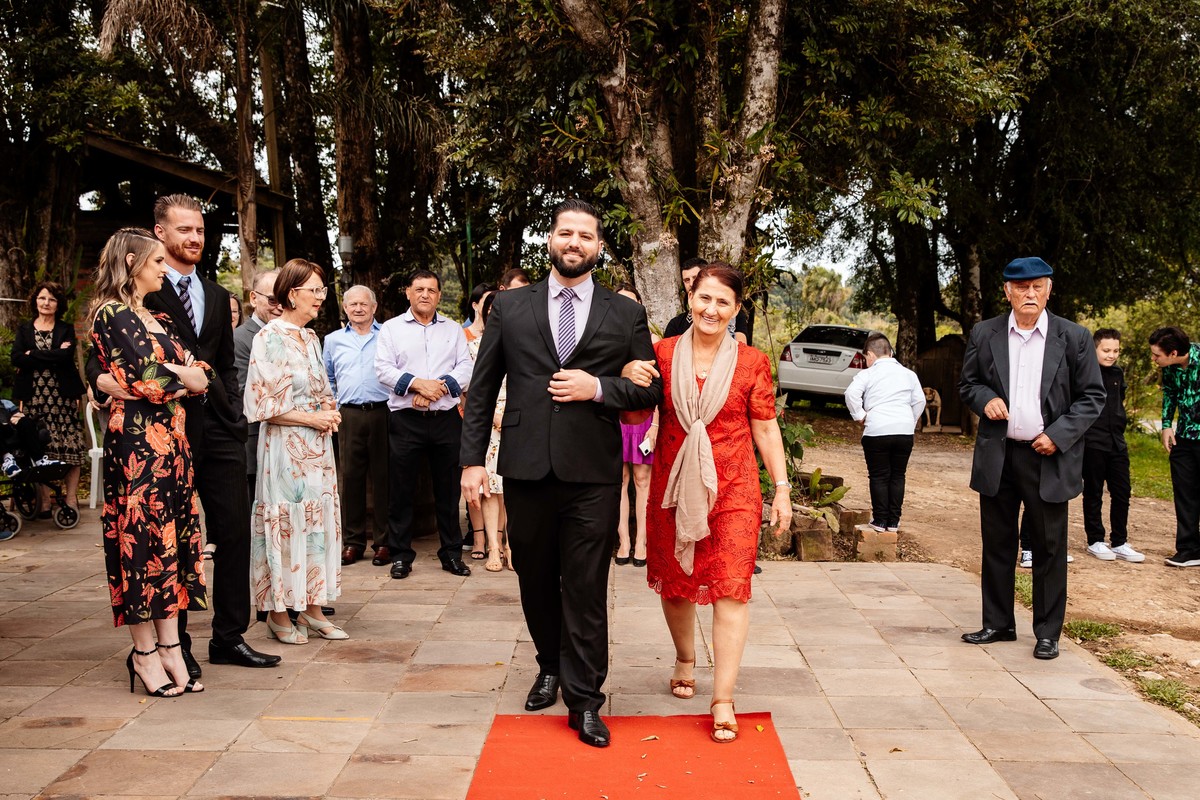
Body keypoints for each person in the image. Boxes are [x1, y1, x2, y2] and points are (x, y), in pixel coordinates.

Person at [460, 199, 662, 749]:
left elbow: (648, 389)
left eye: (586, 236)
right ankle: (548, 664)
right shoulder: (510, 305)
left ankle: (586, 699)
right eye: (565, 232)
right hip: (525, 465)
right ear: (550, 239)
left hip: (592, 470)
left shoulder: (624, 314)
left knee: (587, 584)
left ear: (599, 247)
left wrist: (597, 387)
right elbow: (481, 389)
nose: (575, 242)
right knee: (533, 575)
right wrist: (472, 461)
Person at [87, 194, 279, 672]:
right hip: (157, 432)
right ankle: (176, 649)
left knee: (232, 532)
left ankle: (229, 637)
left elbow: (219, 365)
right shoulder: (137, 293)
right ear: (160, 233)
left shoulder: (217, 295)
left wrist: (234, 416)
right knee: (166, 538)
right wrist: (100, 380)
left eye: (200, 231)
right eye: (183, 230)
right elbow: (105, 357)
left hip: (218, 428)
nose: (194, 238)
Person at [624, 264, 791, 744]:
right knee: (675, 587)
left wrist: (781, 488)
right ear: (689, 298)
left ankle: (723, 698)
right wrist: (626, 373)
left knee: (732, 590)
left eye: (723, 302)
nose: (711, 309)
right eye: (704, 298)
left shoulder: (752, 362)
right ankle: (684, 657)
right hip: (674, 490)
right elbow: (635, 413)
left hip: (735, 489)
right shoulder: (661, 353)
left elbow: (764, 427)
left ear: (736, 310)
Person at [958, 257, 1104, 661]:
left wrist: (1057, 436)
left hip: (1048, 458)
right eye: (1021, 287)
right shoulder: (985, 333)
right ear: (1007, 291)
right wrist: (985, 400)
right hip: (999, 455)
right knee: (998, 543)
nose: (1029, 294)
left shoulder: (1073, 337)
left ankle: (1047, 632)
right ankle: (998, 623)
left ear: (1049, 290)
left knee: (1049, 546)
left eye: (1037, 286)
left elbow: (1093, 397)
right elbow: (968, 384)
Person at [90, 227, 211, 697]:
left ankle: (170, 647)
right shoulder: (111, 312)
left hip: (175, 447)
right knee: (140, 547)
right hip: (139, 447)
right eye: (158, 261)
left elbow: (201, 370)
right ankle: (143, 654)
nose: (166, 268)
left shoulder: (157, 313)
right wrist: (179, 378)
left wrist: (180, 377)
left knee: (171, 547)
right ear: (133, 262)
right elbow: (149, 377)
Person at [244, 258, 347, 644]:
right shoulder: (268, 337)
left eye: (322, 290)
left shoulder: (311, 338)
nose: (320, 297)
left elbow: (321, 390)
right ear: (292, 293)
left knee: (317, 524)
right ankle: (277, 611)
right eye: (314, 290)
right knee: (286, 525)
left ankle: (313, 608)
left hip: (318, 449)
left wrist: (328, 412)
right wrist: (311, 419)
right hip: (285, 450)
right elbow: (260, 406)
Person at [376, 270, 474, 580]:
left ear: (438, 295)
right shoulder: (391, 329)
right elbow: (382, 369)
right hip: (405, 420)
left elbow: (466, 367)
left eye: (431, 290)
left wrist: (439, 388)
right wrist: (418, 385)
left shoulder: (454, 330)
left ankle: (451, 554)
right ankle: (401, 555)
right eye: (419, 289)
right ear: (407, 292)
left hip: (445, 419)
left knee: (447, 491)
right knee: (401, 489)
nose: (425, 295)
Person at [324, 285, 391, 567]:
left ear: (374, 307)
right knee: (350, 478)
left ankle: (384, 542)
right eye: (352, 304)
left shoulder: (387, 335)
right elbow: (327, 377)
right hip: (348, 414)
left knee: (385, 477)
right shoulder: (332, 340)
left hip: (384, 412)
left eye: (364, 304)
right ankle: (353, 542)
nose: (358, 308)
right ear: (345, 308)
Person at [11, 281, 87, 515]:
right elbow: (16, 358)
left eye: (52, 299)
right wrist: (50, 355)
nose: (46, 303)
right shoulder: (24, 330)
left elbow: (65, 357)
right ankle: (44, 501)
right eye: (42, 298)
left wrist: (32, 354)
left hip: (62, 397)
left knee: (70, 447)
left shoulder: (65, 328)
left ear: (58, 304)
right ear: (35, 301)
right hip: (34, 397)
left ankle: (71, 498)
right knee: (41, 448)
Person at [843, 333, 925, 532]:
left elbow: (851, 394)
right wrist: (909, 421)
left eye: (865, 358)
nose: (866, 362)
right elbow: (920, 401)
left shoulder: (868, 374)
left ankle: (880, 521)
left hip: (877, 430)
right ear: (890, 352)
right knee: (898, 475)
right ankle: (893, 521)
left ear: (870, 354)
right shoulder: (908, 374)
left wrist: (860, 416)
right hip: (904, 432)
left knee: (879, 475)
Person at [1081, 329, 1143, 562]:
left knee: (1122, 492)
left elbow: (1119, 402)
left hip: (1117, 442)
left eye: (1116, 350)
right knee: (1094, 492)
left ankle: (1119, 541)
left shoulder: (1118, 372)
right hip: (1093, 443)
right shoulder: (1085, 372)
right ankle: (1095, 540)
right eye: (1106, 350)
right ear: (1094, 348)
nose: (1111, 355)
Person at [614, 284, 658, 568]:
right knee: (619, 481)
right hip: (614, 417)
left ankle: (641, 540)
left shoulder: (652, 340)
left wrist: (654, 427)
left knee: (643, 481)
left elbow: (659, 387)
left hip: (643, 418)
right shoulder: (604, 337)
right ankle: (624, 542)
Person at [1149, 326, 1200, 567]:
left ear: (1174, 352)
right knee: (1185, 493)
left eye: (1157, 355)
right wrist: (1167, 425)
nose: (1154, 358)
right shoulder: (1169, 368)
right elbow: (1170, 393)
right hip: (1184, 439)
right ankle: (1189, 549)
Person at [234, 269, 282, 506]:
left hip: (289, 446)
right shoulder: (240, 338)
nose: (280, 307)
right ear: (254, 298)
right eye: (272, 299)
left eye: (285, 299)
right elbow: (247, 392)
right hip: (256, 441)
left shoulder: (294, 335)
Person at [473, 291, 510, 573]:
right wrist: (493, 414)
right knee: (489, 489)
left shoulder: (525, 341)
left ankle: (513, 546)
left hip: (519, 419)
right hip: (489, 421)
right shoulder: (475, 345)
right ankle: (493, 548)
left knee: (512, 488)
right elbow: (474, 389)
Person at [461, 282, 497, 560]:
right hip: (477, 414)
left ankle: (500, 542)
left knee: (500, 485)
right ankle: (478, 539)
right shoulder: (466, 340)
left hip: (508, 416)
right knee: (476, 479)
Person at [662, 258, 749, 343]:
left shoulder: (735, 316)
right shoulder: (676, 323)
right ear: (690, 297)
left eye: (695, 278)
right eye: (687, 280)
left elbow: (741, 348)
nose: (691, 283)